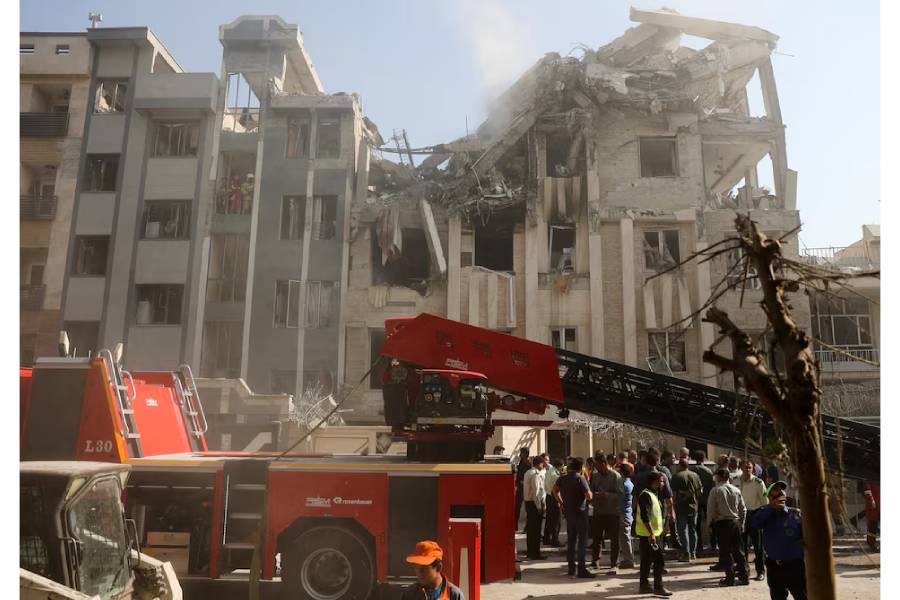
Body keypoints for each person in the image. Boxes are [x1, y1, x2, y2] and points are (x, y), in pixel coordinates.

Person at [752, 481, 807, 599]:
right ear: (770, 498)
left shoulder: (796, 514)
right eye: (776, 493)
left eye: (782, 491)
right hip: (774, 566)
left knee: (803, 596)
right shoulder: (765, 515)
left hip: (795, 566)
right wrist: (770, 507)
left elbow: (808, 539)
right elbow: (755, 523)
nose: (781, 494)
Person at [553, 457, 595, 579]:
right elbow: (588, 496)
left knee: (571, 540)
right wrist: (591, 495)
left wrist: (561, 503)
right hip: (581, 513)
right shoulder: (580, 478)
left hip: (569, 513)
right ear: (580, 468)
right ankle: (581, 569)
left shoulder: (563, 478)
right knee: (582, 542)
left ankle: (571, 568)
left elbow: (554, 491)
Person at [707, 468, 749, 586]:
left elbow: (711, 509)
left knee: (726, 552)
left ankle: (730, 578)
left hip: (722, 524)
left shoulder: (715, 490)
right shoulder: (736, 490)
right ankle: (744, 577)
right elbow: (743, 509)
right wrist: (742, 523)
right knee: (739, 551)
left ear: (719, 477)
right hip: (735, 522)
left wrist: (709, 524)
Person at [635, 472, 672, 596]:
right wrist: (651, 534)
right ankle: (658, 587)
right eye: (661, 481)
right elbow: (645, 516)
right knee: (658, 561)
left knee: (647, 561)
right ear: (654, 482)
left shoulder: (653, 494)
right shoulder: (646, 495)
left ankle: (644, 585)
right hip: (649, 535)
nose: (663, 483)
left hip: (654, 533)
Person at [589, 452, 622, 569]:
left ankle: (614, 563)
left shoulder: (616, 476)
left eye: (597, 465)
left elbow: (621, 495)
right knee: (597, 538)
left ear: (603, 464)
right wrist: (593, 496)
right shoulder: (596, 476)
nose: (596, 468)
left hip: (613, 512)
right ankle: (595, 561)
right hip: (599, 511)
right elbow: (591, 490)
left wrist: (606, 495)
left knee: (614, 539)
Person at [738, 459, 768, 581]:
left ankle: (760, 571)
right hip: (741, 515)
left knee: (758, 546)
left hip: (755, 514)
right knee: (742, 545)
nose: (747, 470)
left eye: (749, 467)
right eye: (745, 467)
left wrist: (762, 517)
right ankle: (744, 571)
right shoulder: (736, 481)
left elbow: (765, 502)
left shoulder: (758, 482)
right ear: (741, 468)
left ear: (753, 469)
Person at [671, 458, 702, 562]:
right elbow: (699, 492)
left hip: (681, 507)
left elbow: (674, 494)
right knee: (692, 530)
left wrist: (673, 506)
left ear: (680, 465)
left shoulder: (676, 477)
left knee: (683, 530)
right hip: (693, 506)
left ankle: (686, 553)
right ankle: (693, 553)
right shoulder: (695, 475)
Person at [690, 450, 715, 553]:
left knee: (696, 523)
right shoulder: (709, 471)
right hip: (707, 499)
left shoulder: (692, 470)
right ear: (704, 458)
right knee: (710, 521)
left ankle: (699, 545)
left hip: (696, 499)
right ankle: (713, 543)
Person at [522, 456, 547, 559]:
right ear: (538, 464)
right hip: (534, 504)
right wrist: (539, 506)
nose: (543, 465)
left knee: (531, 530)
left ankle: (530, 551)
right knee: (536, 531)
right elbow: (536, 492)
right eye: (542, 464)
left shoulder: (528, 472)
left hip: (529, 503)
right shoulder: (535, 475)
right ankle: (535, 553)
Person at [614, 462, 635, 572]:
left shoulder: (623, 483)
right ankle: (629, 558)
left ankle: (629, 559)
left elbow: (619, 497)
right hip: (627, 512)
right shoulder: (629, 482)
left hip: (624, 513)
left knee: (625, 537)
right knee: (626, 536)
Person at [543, 458, 563, 547]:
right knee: (557, 520)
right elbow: (557, 490)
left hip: (548, 496)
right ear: (559, 466)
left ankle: (546, 538)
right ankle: (555, 540)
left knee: (549, 518)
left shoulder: (548, 472)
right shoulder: (555, 475)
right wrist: (560, 501)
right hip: (554, 497)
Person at [514, 448, 531, 531]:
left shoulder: (528, 464)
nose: (520, 455)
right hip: (520, 488)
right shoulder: (521, 462)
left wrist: (523, 482)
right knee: (517, 507)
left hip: (526, 488)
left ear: (525, 454)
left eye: (521, 453)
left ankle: (527, 527)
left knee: (528, 508)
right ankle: (515, 526)